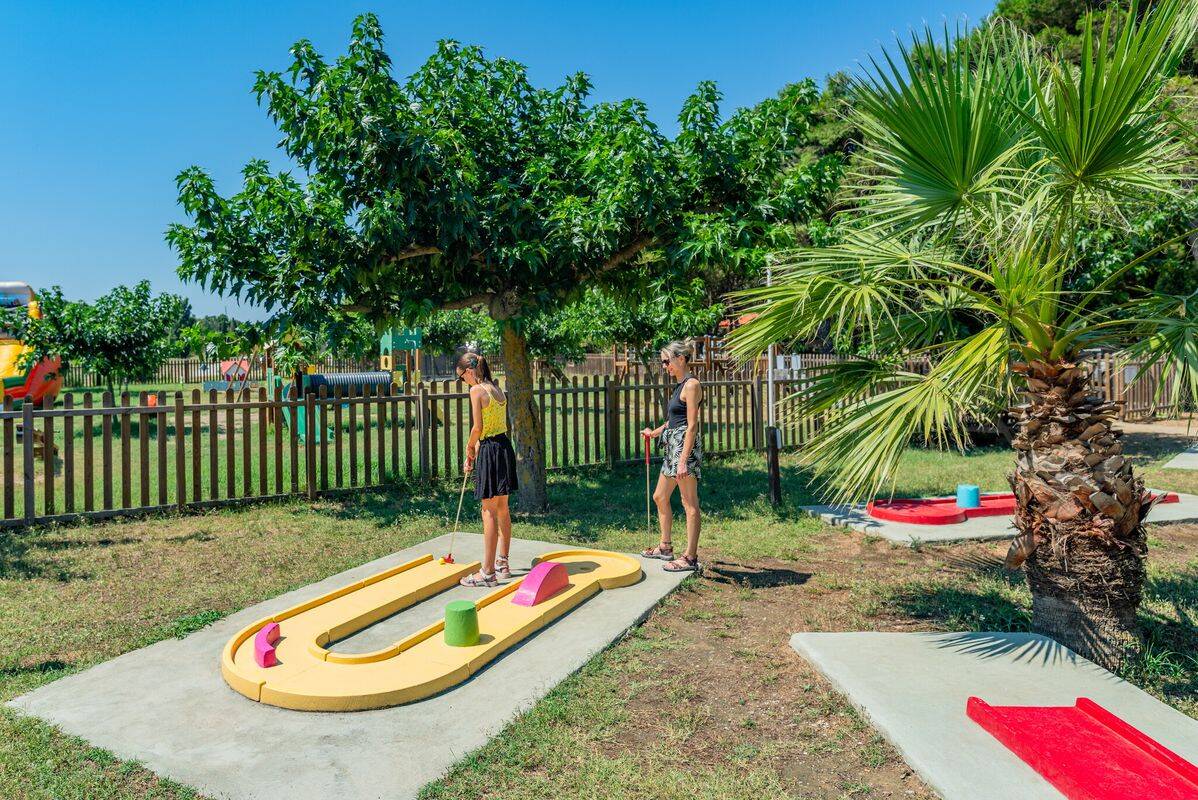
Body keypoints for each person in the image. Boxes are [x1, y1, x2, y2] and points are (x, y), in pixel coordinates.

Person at [640, 339, 704, 572]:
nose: (665, 366)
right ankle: (665, 547)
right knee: (659, 496)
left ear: (680, 359)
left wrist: (683, 460)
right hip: (673, 445)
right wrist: (653, 433)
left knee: (689, 503)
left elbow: (691, 425)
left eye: (667, 361)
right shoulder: (679, 385)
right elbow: (673, 421)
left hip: (683, 448)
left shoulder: (691, 385)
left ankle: (690, 557)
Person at [456, 351, 518, 587]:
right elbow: (496, 424)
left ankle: (488, 572)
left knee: (488, 511)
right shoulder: (496, 388)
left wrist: (469, 448)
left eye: (462, 377)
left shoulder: (476, 391)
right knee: (503, 508)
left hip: (491, 451)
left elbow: (478, 428)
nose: (463, 382)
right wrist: (476, 447)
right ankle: (503, 563)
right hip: (503, 447)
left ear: (469, 372)